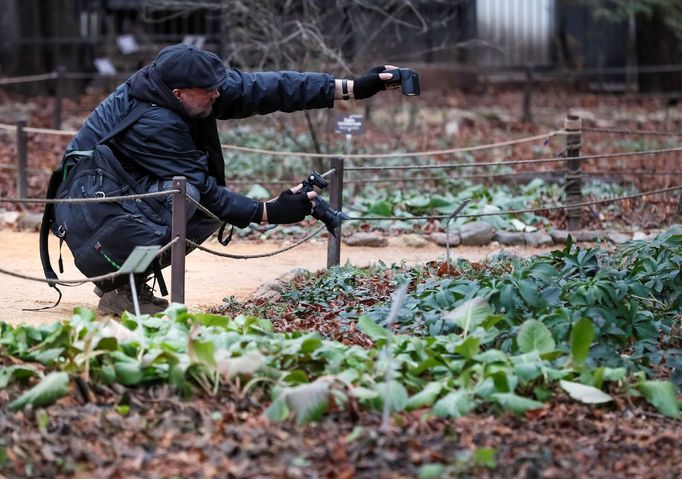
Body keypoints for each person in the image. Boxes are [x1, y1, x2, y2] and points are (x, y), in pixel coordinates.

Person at [55, 43, 404, 316]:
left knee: (191, 200)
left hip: (119, 188)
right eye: (209, 90)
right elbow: (206, 193)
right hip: (89, 210)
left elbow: (268, 88)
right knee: (188, 199)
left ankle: (119, 277)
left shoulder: (186, 86)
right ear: (179, 94)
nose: (217, 93)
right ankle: (120, 284)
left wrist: (354, 88)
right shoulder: (156, 121)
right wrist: (270, 211)